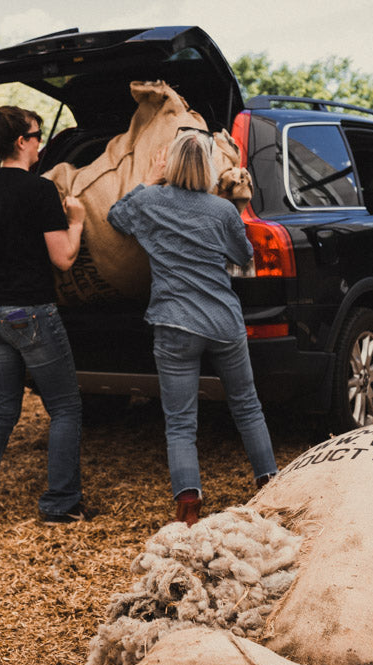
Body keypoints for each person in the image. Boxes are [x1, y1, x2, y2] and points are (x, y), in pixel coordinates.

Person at [108, 130, 277, 525]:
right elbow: (243, 256)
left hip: (174, 322)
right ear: (208, 168)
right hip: (222, 320)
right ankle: (271, 488)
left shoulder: (149, 201)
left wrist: (149, 179)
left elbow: (116, 217)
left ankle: (188, 507)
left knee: (181, 421)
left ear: (170, 164)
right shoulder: (220, 212)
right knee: (248, 407)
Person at [0, 104, 89, 524]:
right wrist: (78, 222)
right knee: (65, 407)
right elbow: (64, 258)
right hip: (31, 314)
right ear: (21, 142)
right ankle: (61, 504)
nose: (40, 143)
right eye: (36, 136)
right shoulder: (40, 191)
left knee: (3, 410)